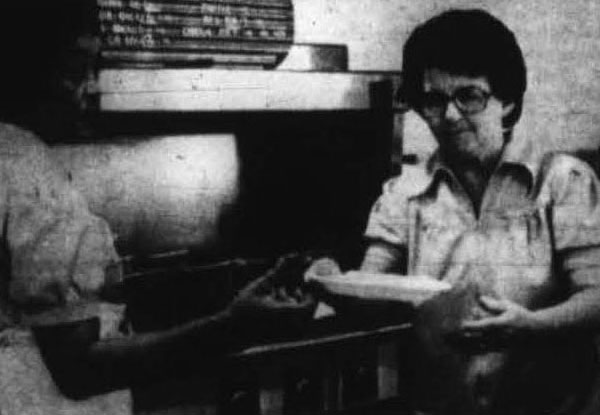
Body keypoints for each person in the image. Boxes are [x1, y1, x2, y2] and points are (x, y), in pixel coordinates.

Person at [310, 9, 600, 415]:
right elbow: (373, 290)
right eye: (433, 100)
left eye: (469, 96)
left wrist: (532, 327)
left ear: (508, 103)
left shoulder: (563, 181)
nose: (448, 116)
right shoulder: (405, 192)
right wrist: (335, 285)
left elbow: (596, 295)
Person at [0, 123, 316, 415]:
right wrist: (236, 326)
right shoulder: (21, 160)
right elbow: (80, 369)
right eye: (71, 63)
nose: (84, 82)